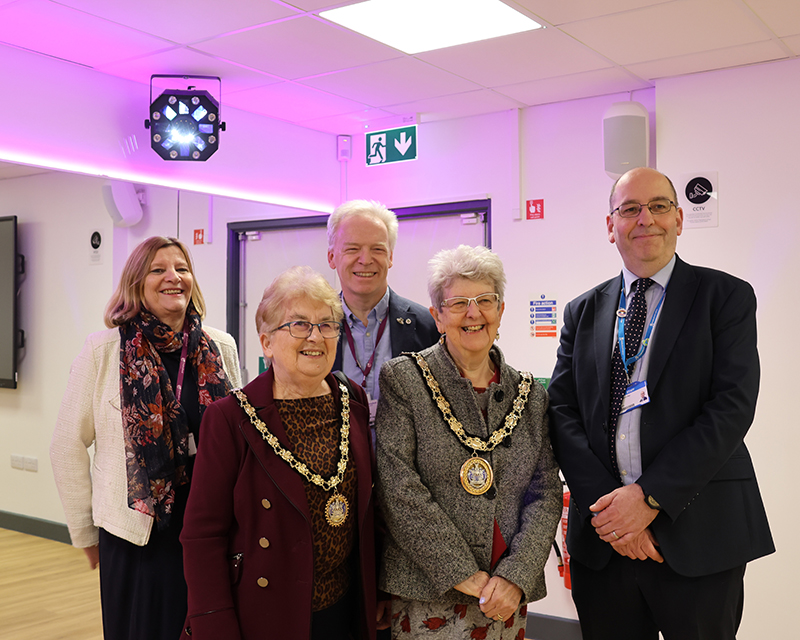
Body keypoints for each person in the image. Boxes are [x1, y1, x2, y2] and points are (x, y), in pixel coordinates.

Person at [548, 167, 775, 639]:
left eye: (658, 206)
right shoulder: (582, 311)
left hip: (699, 535)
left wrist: (648, 498)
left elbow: (731, 407)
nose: (645, 219)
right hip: (604, 544)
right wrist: (613, 515)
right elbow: (562, 412)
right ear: (610, 226)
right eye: (630, 209)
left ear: (678, 218)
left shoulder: (725, 297)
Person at [50, 236, 241, 640]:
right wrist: (85, 532)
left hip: (209, 526)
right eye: (158, 270)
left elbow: (239, 435)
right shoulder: (104, 350)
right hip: (137, 533)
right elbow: (66, 445)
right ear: (136, 283)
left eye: (182, 269)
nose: (173, 277)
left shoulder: (220, 347)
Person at [180, 266, 382, 640]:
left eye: (326, 324)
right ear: (267, 342)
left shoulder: (351, 399)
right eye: (299, 324)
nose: (315, 337)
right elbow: (202, 536)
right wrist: (214, 623)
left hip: (345, 609)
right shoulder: (230, 419)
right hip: (265, 614)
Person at [375, 245, 561, 639]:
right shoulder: (404, 380)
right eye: (458, 303)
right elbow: (398, 489)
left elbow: (544, 494)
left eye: (485, 301)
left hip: (506, 595)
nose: (473, 313)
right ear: (437, 316)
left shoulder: (530, 394)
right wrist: (463, 574)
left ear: (501, 310)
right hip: (428, 592)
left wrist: (516, 575)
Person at [327, 199, 440, 423]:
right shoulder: (315, 330)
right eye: (352, 249)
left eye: (377, 249)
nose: (365, 260)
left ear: (390, 257)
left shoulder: (428, 326)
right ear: (332, 257)